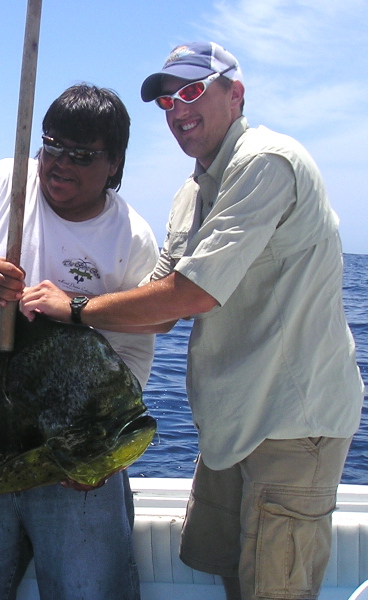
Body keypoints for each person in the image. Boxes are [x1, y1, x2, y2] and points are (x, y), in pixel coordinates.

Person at [20, 43, 364, 600]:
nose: (176, 107)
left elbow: (192, 295)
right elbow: (155, 312)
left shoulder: (265, 162)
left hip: (293, 425)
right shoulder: (190, 192)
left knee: (275, 590)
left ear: (237, 93)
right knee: (230, 573)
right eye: (165, 98)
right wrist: (51, 302)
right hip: (231, 422)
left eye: (192, 90)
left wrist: (73, 306)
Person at [0, 84, 158, 600]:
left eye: (81, 155)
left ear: (114, 163)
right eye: (51, 145)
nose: (59, 164)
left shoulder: (131, 237)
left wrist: (101, 457)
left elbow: (134, 349)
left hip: (72, 460)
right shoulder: (3, 183)